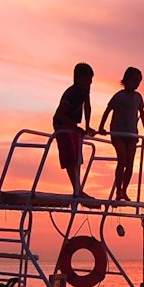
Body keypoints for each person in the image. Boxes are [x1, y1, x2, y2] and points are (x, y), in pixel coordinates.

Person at [98, 66, 144, 200]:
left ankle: (124, 191)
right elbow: (108, 110)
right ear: (126, 80)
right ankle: (118, 190)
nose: (137, 83)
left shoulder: (138, 97)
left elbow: (143, 115)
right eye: (134, 80)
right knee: (122, 160)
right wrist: (101, 127)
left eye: (139, 81)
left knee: (130, 162)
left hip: (132, 134)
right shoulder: (118, 96)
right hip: (118, 133)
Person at [52, 62, 95, 196]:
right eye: (87, 80)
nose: (89, 84)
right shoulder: (71, 93)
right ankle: (77, 189)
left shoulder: (85, 91)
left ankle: (78, 189)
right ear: (78, 79)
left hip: (73, 125)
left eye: (91, 81)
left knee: (77, 157)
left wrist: (87, 126)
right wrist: (74, 128)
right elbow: (59, 114)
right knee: (70, 156)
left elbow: (87, 107)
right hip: (62, 124)